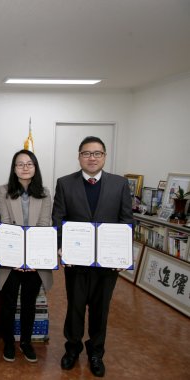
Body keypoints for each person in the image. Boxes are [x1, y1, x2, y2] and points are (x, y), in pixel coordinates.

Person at [52, 136, 133, 377]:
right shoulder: (65, 183)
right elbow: (58, 218)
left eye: (97, 153)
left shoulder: (119, 184)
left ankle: (96, 352)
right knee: (75, 307)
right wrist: (60, 247)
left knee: (101, 309)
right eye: (86, 153)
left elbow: (126, 220)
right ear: (79, 157)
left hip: (107, 263)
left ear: (104, 157)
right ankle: (73, 349)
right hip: (76, 260)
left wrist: (123, 256)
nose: (92, 157)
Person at [0, 149, 53, 363]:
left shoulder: (45, 192)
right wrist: (18, 259)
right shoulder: (3, 190)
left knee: (29, 303)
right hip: (11, 258)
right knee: (9, 303)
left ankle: (27, 343)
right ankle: (9, 343)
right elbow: (7, 222)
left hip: (35, 260)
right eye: (20, 164)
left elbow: (44, 225)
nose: (25, 167)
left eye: (29, 164)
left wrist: (31, 260)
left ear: (35, 167)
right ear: (14, 168)